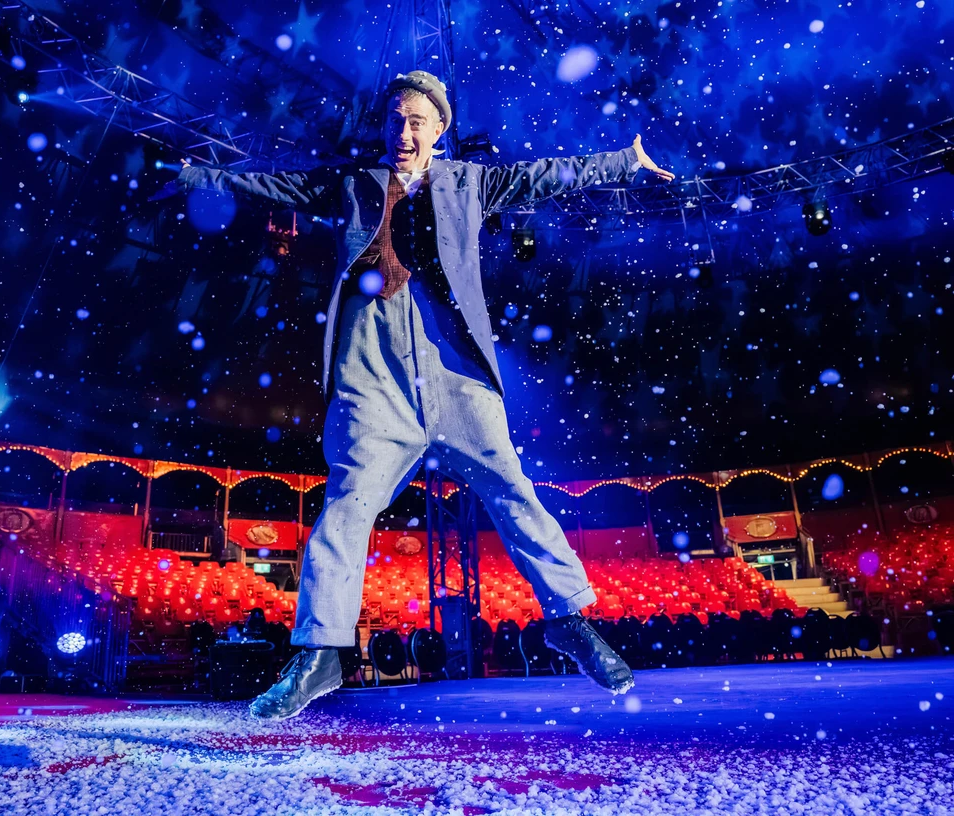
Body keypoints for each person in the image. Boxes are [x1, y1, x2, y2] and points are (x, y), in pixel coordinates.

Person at [157, 70, 675, 720]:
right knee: (346, 505)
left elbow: (549, 174)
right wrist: (200, 175)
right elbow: (271, 180)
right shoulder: (354, 184)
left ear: (439, 130)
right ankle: (320, 653)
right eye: (395, 120)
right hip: (374, 374)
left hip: (455, 370)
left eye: (416, 122)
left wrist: (624, 161)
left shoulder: (471, 183)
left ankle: (567, 618)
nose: (403, 133)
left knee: (512, 489)